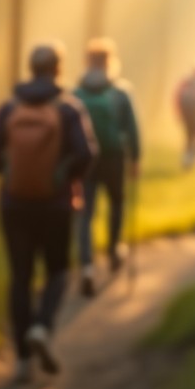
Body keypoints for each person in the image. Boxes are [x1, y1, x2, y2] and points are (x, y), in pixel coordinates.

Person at [0, 43, 97, 383]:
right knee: (58, 271)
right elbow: (87, 154)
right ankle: (42, 328)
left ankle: (21, 362)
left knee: (20, 277)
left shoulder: (9, 109)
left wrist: (12, 170)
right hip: (56, 205)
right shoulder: (68, 109)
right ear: (58, 69)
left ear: (30, 68)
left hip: (13, 205)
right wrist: (63, 176)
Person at [73, 38, 142, 298]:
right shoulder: (121, 92)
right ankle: (114, 251)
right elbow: (132, 129)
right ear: (110, 61)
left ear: (88, 62)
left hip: (85, 160)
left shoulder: (76, 93)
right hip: (113, 158)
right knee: (116, 203)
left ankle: (87, 267)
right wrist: (135, 158)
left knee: (85, 214)